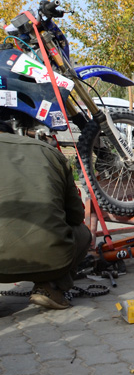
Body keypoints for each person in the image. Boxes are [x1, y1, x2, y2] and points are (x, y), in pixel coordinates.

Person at [0, 122, 92, 309]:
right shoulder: (49, 152)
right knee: (83, 233)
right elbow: (76, 216)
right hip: (53, 261)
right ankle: (50, 287)